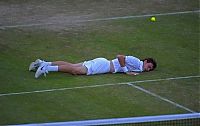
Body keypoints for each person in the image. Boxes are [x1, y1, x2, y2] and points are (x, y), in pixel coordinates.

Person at [29, 55, 157, 78]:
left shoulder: (139, 68)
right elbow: (120, 56)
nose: (148, 69)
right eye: (149, 66)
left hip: (102, 63)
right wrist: (125, 71)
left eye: (150, 69)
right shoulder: (137, 62)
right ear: (145, 61)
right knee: (75, 71)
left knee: (72, 66)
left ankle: (43, 63)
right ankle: (46, 68)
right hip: (103, 66)